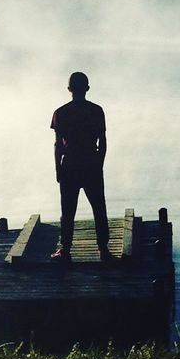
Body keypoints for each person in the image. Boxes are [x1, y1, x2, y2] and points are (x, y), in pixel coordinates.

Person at [50, 71, 112, 262]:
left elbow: (58, 144)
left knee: (67, 210)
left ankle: (65, 250)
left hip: (69, 164)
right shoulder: (96, 111)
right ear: (87, 88)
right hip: (91, 163)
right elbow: (103, 142)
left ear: (69, 89)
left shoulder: (60, 113)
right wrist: (98, 164)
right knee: (99, 208)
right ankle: (103, 249)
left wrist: (57, 168)